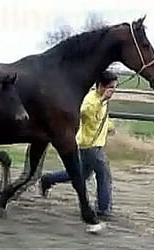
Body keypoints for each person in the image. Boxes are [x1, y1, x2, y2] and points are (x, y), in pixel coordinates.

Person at [39, 70, 117, 217]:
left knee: (81, 174)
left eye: (114, 88)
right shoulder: (91, 100)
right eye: (111, 88)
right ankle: (103, 208)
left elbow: (101, 119)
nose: (113, 91)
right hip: (90, 145)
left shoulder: (102, 100)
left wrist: (110, 126)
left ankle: (49, 179)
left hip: (92, 144)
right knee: (104, 174)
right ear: (101, 86)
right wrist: (101, 102)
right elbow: (85, 112)